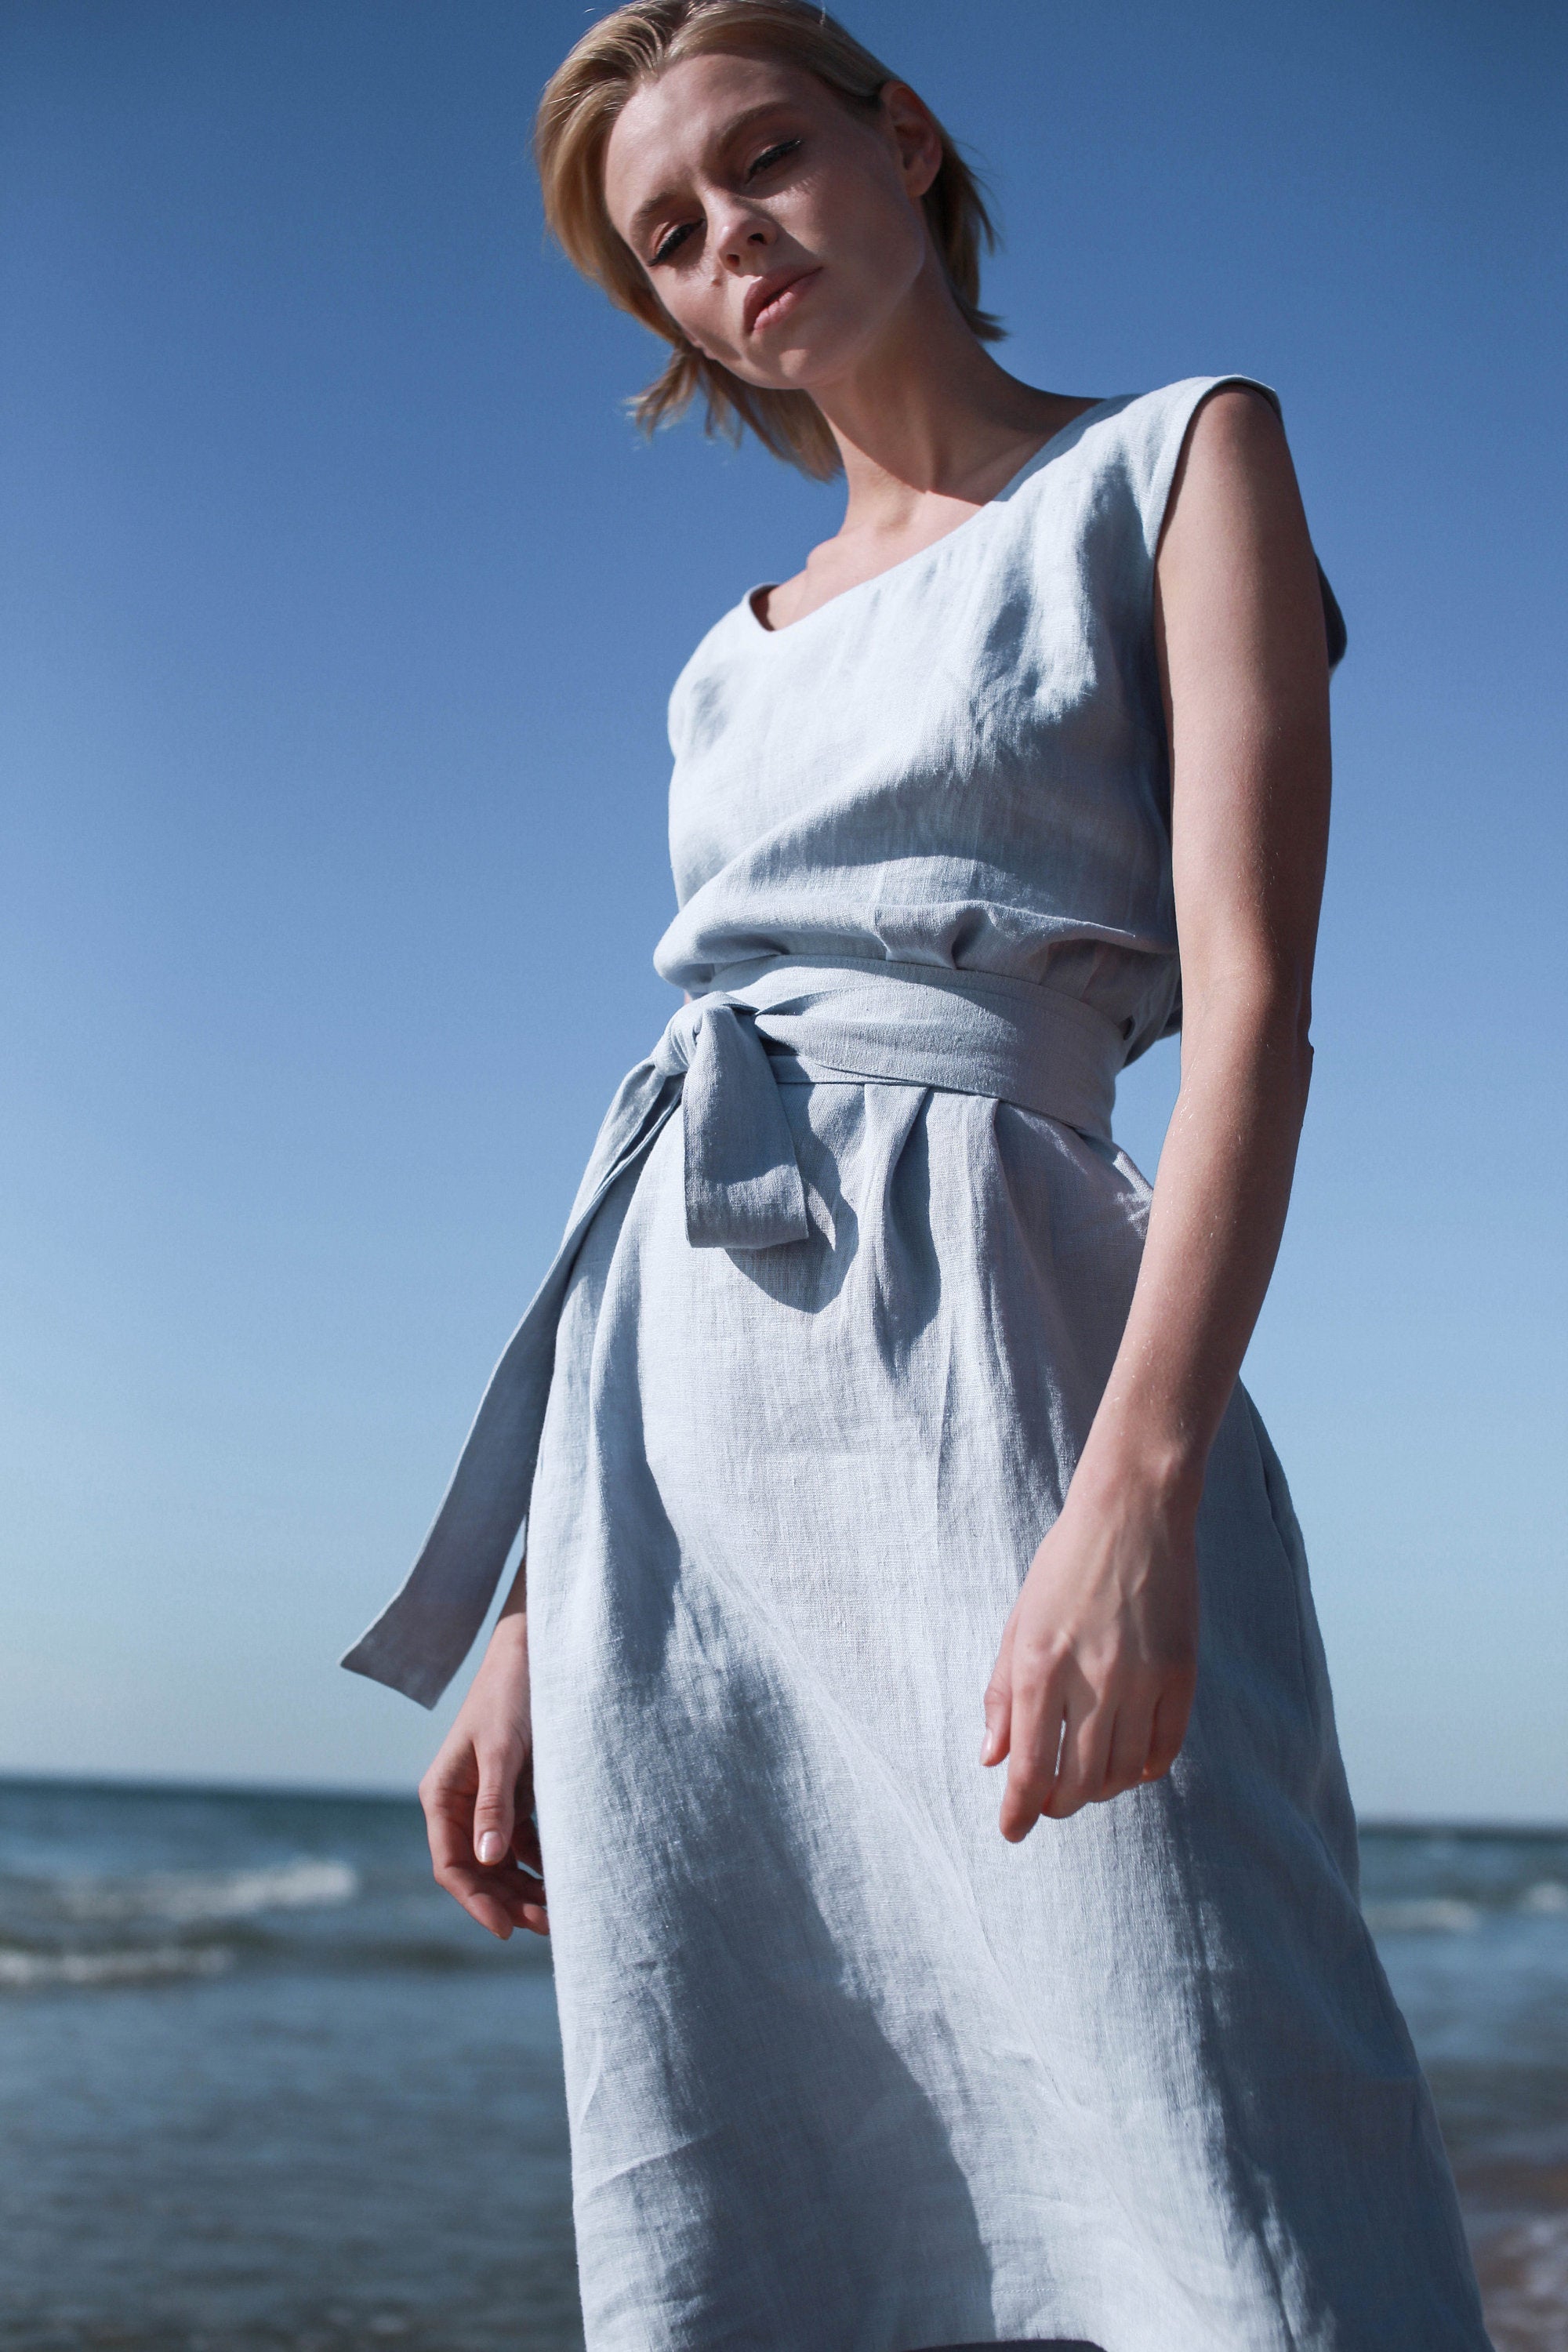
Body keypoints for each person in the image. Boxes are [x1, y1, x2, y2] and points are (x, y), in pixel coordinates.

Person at [343, 5, 1491, 2347]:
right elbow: (695, 1105)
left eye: (761, 160)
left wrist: (1132, 1493)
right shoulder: (722, 671)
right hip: (679, 1447)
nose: (728, 241)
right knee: (749, 2142)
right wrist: (548, 1612)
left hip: (1007, 1357)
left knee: (1213, 2094)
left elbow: (1256, 1007)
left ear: (905, 135)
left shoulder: (1176, 462)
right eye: (667, 235)